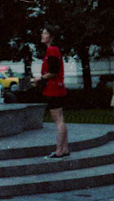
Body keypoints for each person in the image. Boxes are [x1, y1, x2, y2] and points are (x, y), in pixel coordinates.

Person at [31, 23, 70, 159]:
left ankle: (59, 151)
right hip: (58, 88)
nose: (42, 35)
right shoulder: (55, 50)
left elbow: (53, 71)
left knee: (58, 120)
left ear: (51, 37)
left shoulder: (51, 50)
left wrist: (39, 78)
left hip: (53, 89)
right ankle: (65, 148)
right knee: (61, 119)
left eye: (45, 33)